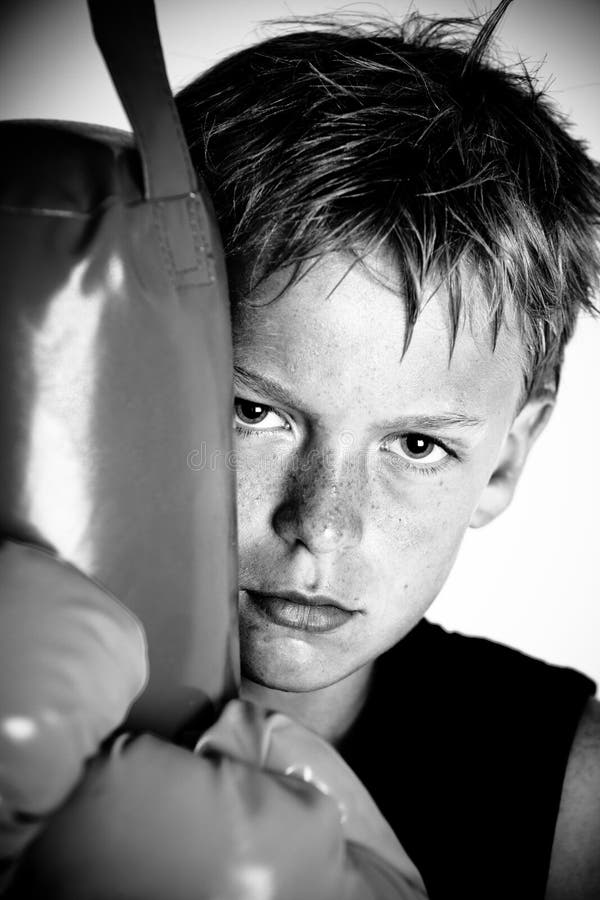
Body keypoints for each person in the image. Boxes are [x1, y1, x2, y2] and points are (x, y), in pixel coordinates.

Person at [175, 2, 600, 897]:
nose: (321, 525)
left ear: (510, 458)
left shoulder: (575, 794)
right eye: (253, 412)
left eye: (414, 443)